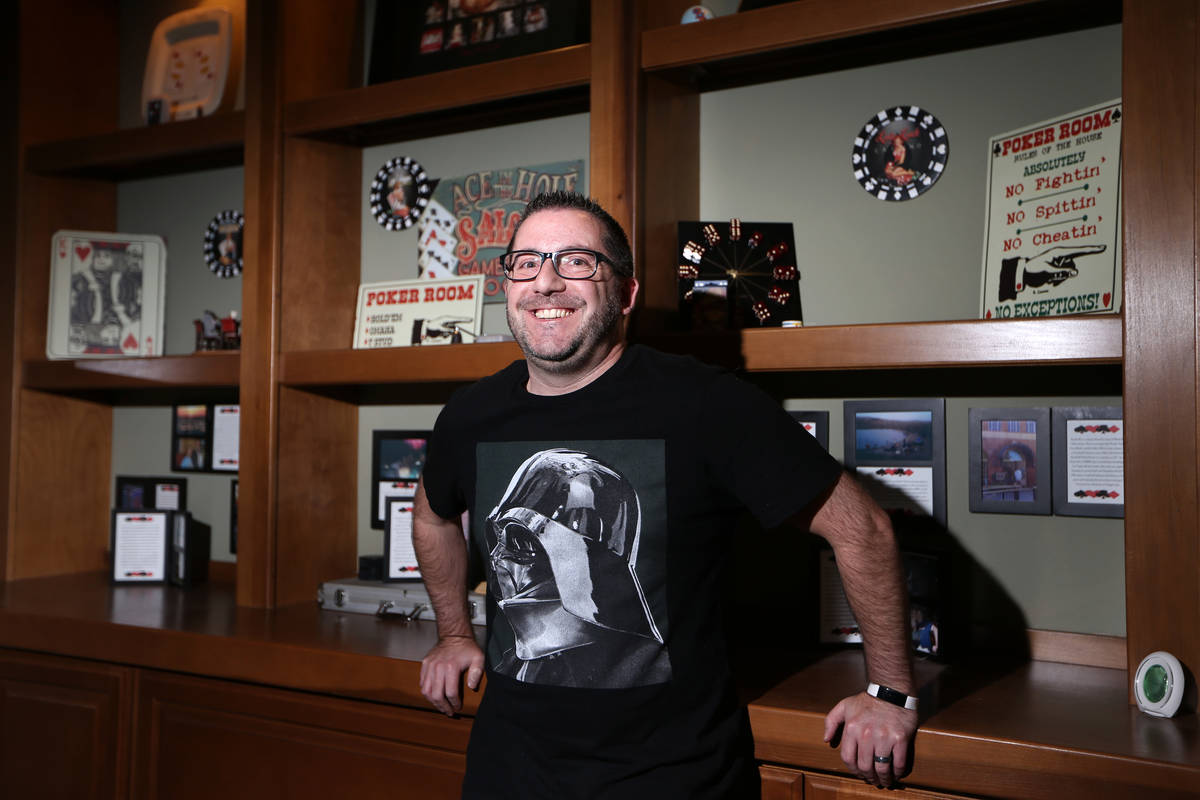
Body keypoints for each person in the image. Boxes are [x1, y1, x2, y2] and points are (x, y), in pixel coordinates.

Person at [413, 191, 918, 798]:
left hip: (673, 778)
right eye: (526, 262)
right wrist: (453, 635)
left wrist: (888, 693)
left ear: (625, 294)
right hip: (509, 771)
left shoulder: (707, 403)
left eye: (576, 261)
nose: (545, 282)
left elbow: (863, 527)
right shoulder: (471, 414)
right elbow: (433, 516)